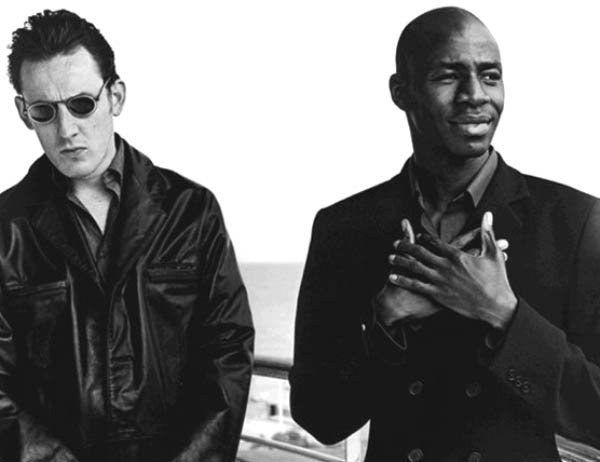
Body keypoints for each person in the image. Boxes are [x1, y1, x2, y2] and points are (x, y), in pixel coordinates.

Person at [290, 6, 600, 461]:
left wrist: (504, 314)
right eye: (448, 76)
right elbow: (318, 415)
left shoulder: (576, 221)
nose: (475, 95)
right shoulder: (344, 226)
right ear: (401, 92)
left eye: (490, 76)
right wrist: (385, 322)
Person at [0, 9, 254, 462]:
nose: (66, 130)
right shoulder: (4, 229)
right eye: (44, 111)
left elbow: (227, 351)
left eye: (82, 104)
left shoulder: (192, 212)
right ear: (24, 113)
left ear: (115, 97)